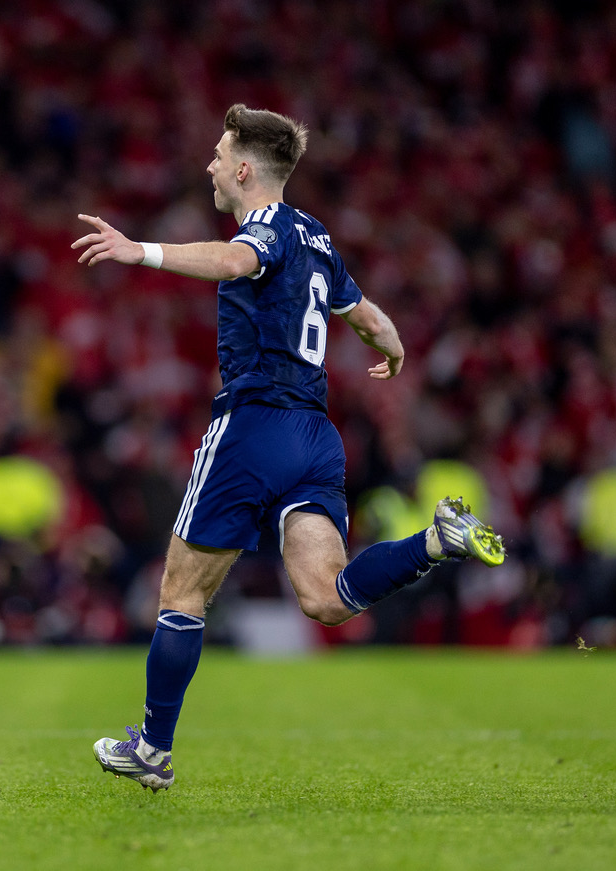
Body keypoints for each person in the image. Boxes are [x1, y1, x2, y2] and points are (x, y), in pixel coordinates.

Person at [72, 104, 506, 792]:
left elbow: (233, 260)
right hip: (315, 437)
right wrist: (394, 350)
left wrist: (139, 250)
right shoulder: (318, 236)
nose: (211, 166)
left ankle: (152, 749)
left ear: (246, 169)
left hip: (254, 426)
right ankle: (435, 540)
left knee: (182, 592)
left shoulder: (265, 229)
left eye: (220, 156)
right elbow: (369, 318)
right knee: (327, 597)